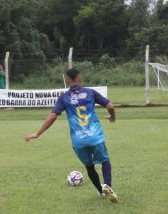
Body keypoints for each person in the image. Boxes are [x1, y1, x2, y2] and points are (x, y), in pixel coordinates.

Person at [25, 68, 118, 203]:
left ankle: (100, 191)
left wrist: (38, 133)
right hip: (95, 136)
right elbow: (110, 106)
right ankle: (107, 186)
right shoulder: (90, 92)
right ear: (79, 77)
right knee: (104, 160)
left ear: (67, 80)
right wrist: (112, 116)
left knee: (89, 166)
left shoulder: (64, 97)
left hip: (78, 140)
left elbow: (52, 116)